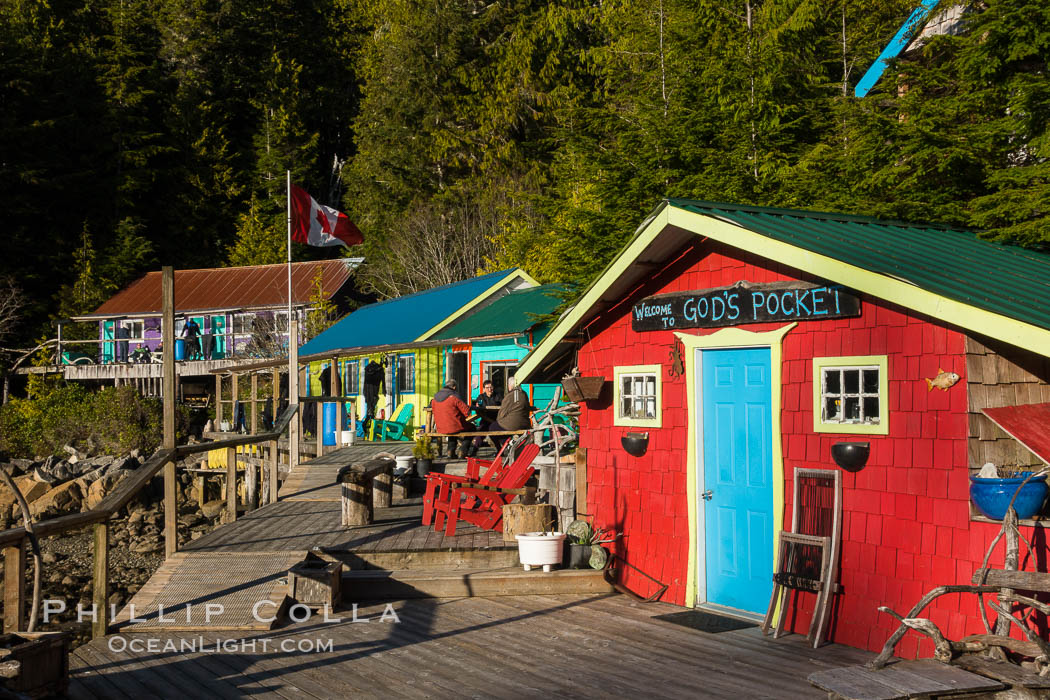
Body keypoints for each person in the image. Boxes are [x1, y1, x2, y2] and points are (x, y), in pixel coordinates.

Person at [430, 378, 475, 458]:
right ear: (454, 387)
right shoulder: (454, 396)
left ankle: (450, 451)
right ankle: (463, 450)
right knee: (472, 428)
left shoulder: (435, 397)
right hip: (454, 426)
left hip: (440, 427)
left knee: (452, 428)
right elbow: (467, 412)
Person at [492, 377, 534, 449]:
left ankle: (504, 446)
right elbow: (527, 407)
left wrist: (498, 420)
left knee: (492, 427)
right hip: (525, 423)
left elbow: (502, 414)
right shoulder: (524, 394)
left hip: (512, 424)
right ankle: (511, 443)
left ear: (510, 385)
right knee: (504, 427)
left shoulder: (509, 396)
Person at [471, 380, 502, 454]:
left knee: (494, 434)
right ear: (484, 389)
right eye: (487, 387)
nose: (489, 389)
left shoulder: (498, 396)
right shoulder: (481, 397)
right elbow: (478, 408)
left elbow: (503, 407)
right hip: (485, 418)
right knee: (480, 434)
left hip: (496, 419)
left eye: (491, 387)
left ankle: (500, 451)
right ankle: (474, 451)